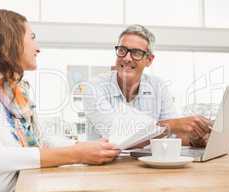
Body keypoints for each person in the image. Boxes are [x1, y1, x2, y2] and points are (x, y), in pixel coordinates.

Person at [0, 9, 120, 192]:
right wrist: (76, 154)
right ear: (10, 40)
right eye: (32, 37)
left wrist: (89, 147)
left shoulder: (17, 94)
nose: (38, 48)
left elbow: (41, 140)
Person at [83, 24, 211, 147]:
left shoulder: (158, 86)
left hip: (148, 166)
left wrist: (194, 141)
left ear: (149, 60)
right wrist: (173, 125)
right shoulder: (94, 87)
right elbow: (117, 136)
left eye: (136, 53)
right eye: (122, 50)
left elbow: (172, 136)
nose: (127, 58)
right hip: (105, 167)